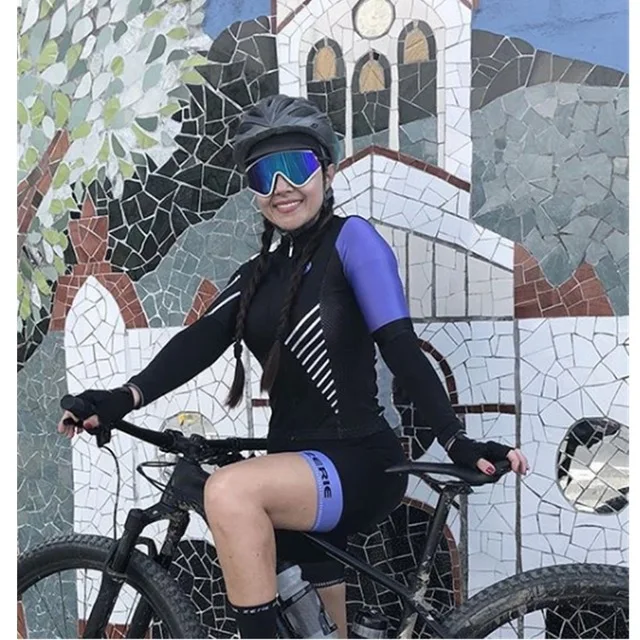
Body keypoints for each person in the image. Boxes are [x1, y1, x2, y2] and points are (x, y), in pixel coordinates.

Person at [58, 95, 529, 639]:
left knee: (230, 491)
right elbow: (197, 343)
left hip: (357, 461)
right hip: (293, 469)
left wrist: (454, 439)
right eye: (265, 174)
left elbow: (400, 346)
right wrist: (121, 398)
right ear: (255, 192)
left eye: (297, 166)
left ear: (326, 172)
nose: (282, 186)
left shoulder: (353, 240)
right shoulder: (257, 274)